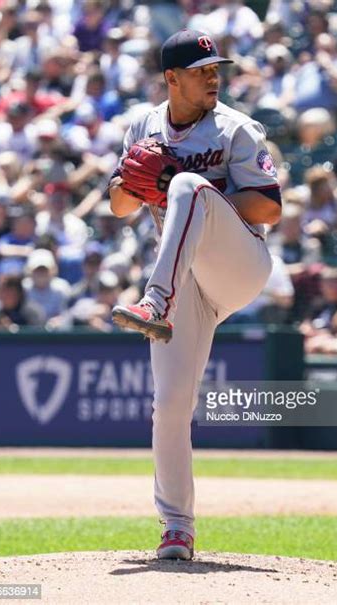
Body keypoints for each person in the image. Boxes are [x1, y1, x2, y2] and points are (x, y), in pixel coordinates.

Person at [108, 30, 281, 560]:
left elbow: (269, 209)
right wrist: (138, 183)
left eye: (216, 69)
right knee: (170, 405)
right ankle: (177, 529)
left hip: (236, 264)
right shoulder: (142, 123)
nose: (214, 77)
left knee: (186, 187)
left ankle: (154, 302)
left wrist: (181, 182)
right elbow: (118, 206)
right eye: (203, 70)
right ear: (172, 78)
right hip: (188, 282)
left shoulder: (236, 129)